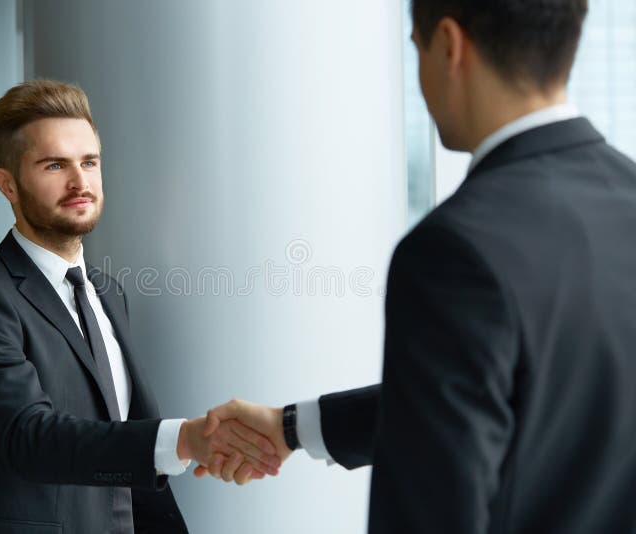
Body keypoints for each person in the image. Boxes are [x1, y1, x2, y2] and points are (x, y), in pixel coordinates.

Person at [201, 0, 636, 532]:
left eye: (417, 49)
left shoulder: (454, 249)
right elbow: (530, 394)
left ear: (450, 46)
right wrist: (293, 427)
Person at [0, 79, 279, 534]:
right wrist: (184, 439)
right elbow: (30, 438)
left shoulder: (107, 292)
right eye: (55, 165)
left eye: (89, 162)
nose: (80, 182)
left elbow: (124, 442)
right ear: (8, 185)